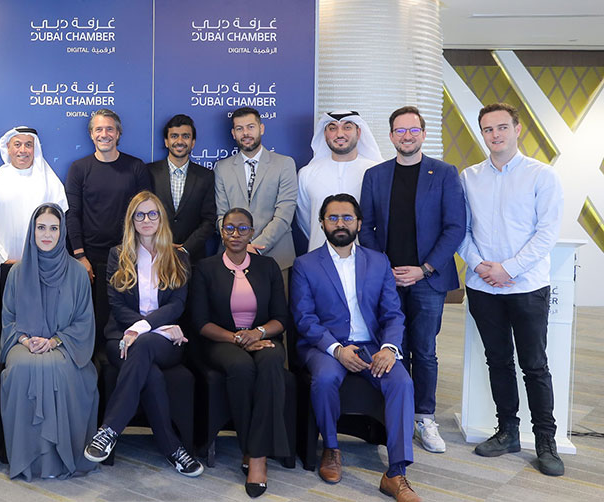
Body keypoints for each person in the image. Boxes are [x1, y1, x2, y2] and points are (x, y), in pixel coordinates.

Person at [458, 103, 564, 476]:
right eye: (488, 129)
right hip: (483, 287)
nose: (495, 135)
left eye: (502, 127)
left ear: (517, 129)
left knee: (534, 365)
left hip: (527, 287)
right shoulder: (469, 177)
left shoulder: (542, 175)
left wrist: (509, 269)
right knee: (498, 361)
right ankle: (507, 432)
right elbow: (461, 229)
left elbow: (547, 233)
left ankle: (546, 441)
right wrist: (480, 266)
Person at [291, 194, 419, 502]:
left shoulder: (378, 261)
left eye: (347, 218)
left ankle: (396, 472)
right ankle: (331, 448)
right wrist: (336, 350)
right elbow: (304, 319)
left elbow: (393, 313)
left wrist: (389, 348)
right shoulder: (305, 265)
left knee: (402, 382)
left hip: (373, 346)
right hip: (325, 346)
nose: (340, 223)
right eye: (333, 218)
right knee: (324, 379)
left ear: (359, 223)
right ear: (322, 223)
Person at [358, 105, 466, 454]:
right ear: (391, 136)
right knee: (392, 347)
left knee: (424, 350)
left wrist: (425, 268)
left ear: (424, 134)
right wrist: (383, 268)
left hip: (427, 279)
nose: (407, 136)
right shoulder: (375, 175)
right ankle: (396, 414)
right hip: (387, 278)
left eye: (413, 130)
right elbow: (366, 227)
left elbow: (455, 227)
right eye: (400, 131)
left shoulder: (445, 173)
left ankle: (424, 417)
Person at [83, 192, 204, 478]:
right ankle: (173, 448)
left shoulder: (178, 257)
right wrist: (150, 328)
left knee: (146, 344)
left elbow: (177, 305)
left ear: (161, 218)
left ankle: (109, 430)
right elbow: (116, 305)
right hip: (122, 338)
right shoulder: (118, 255)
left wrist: (142, 329)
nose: (146, 220)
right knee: (151, 374)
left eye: (152, 214)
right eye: (139, 214)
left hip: (164, 342)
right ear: (131, 220)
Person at [189, 208, 291, 497]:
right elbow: (201, 322)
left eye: (243, 229)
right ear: (221, 233)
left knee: (272, 360)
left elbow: (281, 318)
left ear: (252, 233)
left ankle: (256, 456)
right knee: (241, 367)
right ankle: (255, 451)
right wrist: (237, 339)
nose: (236, 234)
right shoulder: (205, 268)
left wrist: (257, 334)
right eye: (229, 228)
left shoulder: (268, 267)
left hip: (262, 337)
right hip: (221, 341)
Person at [0, 204, 97, 480]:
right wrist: (24, 340)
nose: (47, 234)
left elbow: (84, 323)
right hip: (24, 344)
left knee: (56, 369)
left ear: (62, 232)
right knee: (21, 368)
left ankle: (59, 459)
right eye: (41, 228)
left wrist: (54, 341)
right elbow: (8, 319)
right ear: (32, 231)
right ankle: (27, 460)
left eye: (53, 228)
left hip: (66, 347)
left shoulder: (78, 273)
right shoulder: (17, 273)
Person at [0, 126, 68, 368]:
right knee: (0, 321)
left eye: (28, 145)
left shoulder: (49, 183)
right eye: (17, 144)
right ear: (7, 149)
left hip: (41, 269)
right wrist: (1, 259)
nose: (23, 150)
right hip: (2, 267)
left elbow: (58, 225)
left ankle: (39, 372)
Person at [65, 109, 154, 343]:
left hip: (129, 256)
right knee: (92, 320)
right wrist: (80, 256)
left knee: (124, 319)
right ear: (91, 134)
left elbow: (147, 215)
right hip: (90, 259)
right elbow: (72, 214)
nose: (104, 134)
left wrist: (139, 254)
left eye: (109, 129)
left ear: (118, 133)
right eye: (98, 129)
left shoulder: (136, 167)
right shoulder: (79, 168)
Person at [214, 107, 298, 271]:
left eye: (250, 127)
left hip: (277, 258)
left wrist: (256, 247)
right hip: (232, 258)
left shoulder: (284, 164)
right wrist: (239, 246)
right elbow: (221, 215)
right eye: (239, 128)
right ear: (233, 133)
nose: (245, 133)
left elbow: (284, 214)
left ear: (261, 128)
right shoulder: (222, 168)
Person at [296, 111, 383, 251]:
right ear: (325, 134)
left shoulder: (376, 172)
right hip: (319, 255)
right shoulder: (306, 174)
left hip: (365, 256)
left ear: (359, 132)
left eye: (347, 127)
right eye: (332, 128)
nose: (340, 134)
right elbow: (306, 220)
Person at [147, 114, 217, 261]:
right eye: (174, 136)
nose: (179, 141)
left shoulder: (206, 176)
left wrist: (185, 249)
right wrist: (161, 244)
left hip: (193, 258)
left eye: (185, 136)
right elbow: (141, 214)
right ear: (166, 142)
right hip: (154, 254)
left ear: (193, 142)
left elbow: (209, 220)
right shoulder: (149, 172)